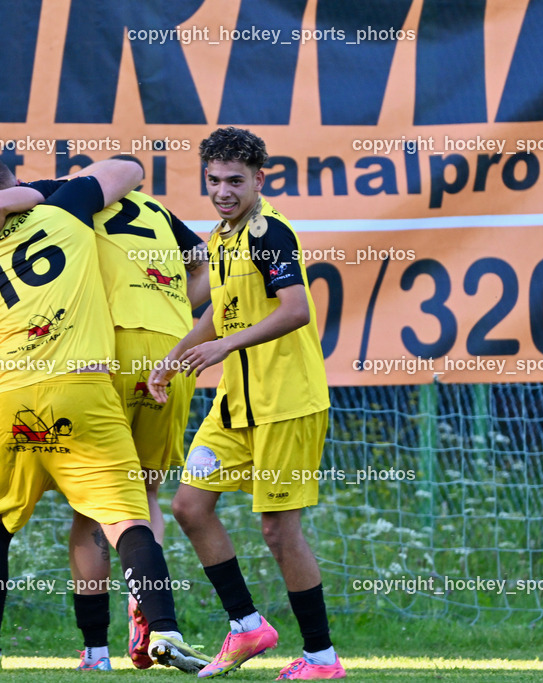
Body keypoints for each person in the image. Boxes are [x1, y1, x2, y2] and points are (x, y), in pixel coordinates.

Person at [0, 156, 210, 674]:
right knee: (130, 510)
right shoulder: (67, 211)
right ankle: (160, 627)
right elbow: (131, 167)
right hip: (96, 379)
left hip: (14, 400)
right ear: (22, 189)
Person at [147, 127, 345, 680]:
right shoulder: (223, 235)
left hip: (287, 402)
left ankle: (322, 659)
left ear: (260, 179)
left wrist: (223, 347)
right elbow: (219, 311)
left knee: (279, 530)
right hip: (238, 403)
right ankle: (246, 626)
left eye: (236, 180)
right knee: (189, 506)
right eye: (214, 180)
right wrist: (174, 356)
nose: (223, 191)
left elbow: (297, 309)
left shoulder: (269, 232)